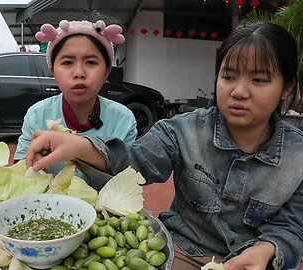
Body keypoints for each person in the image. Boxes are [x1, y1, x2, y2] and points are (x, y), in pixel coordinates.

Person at [26, 22, 303, 269]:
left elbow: (294, 227)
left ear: (287, 87)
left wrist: (269, 250)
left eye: (259, 80)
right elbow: (136, 160)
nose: (239, 91)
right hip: (182, 252)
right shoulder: (183, 130)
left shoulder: (298, 155)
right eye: (228, 77)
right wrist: (81, 146)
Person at [14, 19, 138, 176]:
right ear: (52, 70)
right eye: (67, 62)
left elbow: (127, 178)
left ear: (107, 71)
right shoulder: (37, 115)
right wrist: (31, 167)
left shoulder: (123, 120)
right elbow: (21, 175)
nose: (79, 73)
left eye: (91, 62)